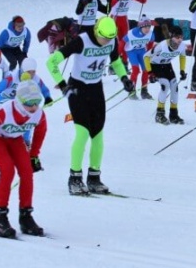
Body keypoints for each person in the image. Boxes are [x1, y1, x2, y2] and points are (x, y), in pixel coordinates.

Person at [46, 16, 135, 196]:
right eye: (104, 38)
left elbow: (116, 61)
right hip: (77, 89)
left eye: (110, 39)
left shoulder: (111, 41)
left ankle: (94, 178)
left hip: (96, 89)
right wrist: (63, 85)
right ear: (96, 32)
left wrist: (125, 78)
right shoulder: (82, 41)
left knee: (98, 134)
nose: (106, 43)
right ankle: (75, 178)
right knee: (82, 132)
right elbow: (51, 62)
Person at [0, 78, 47, 238]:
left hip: (14, 138)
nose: (33, 107)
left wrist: (34, 156)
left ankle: (26, 216)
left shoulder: (38, 114)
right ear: (19, 101)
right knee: (7, 170)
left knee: (27, 172)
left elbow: (41, 132)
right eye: (29, 103)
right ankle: (0, 218)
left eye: (37, 102)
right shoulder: (4, 110)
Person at [144, 24, 187, 124]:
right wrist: (150, 73)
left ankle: (173, 114)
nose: (179, 40)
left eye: (181, 37)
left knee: (175, 87)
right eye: (177, 37)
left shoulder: (181, 46)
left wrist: (182, 70)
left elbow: (183, 57)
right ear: (171, 36)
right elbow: (146, 56)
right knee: (165, 85)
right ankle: (159, 114)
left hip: (167, 65)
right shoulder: (162, 45)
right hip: (155, 66)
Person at [108, 0, 148, 66]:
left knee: (126, 41)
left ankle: (124, 61)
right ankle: (115, 61)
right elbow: (112, 3)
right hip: (115, 17)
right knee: (116, 41)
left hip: (123, 18)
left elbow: (142, 1)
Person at [124, 15, 155, 100]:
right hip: (131, 51)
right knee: (136, 70)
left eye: (149, 26)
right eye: (145, 27)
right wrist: (121, 55)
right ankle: (132, 90)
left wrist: (149, 54)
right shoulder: (132, 33)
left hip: (141, 51)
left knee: (146, 70)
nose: (147, 29)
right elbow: (122, 43)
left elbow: (150, 45)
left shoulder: (151, 34)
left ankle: (144, 91)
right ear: (140, 26)